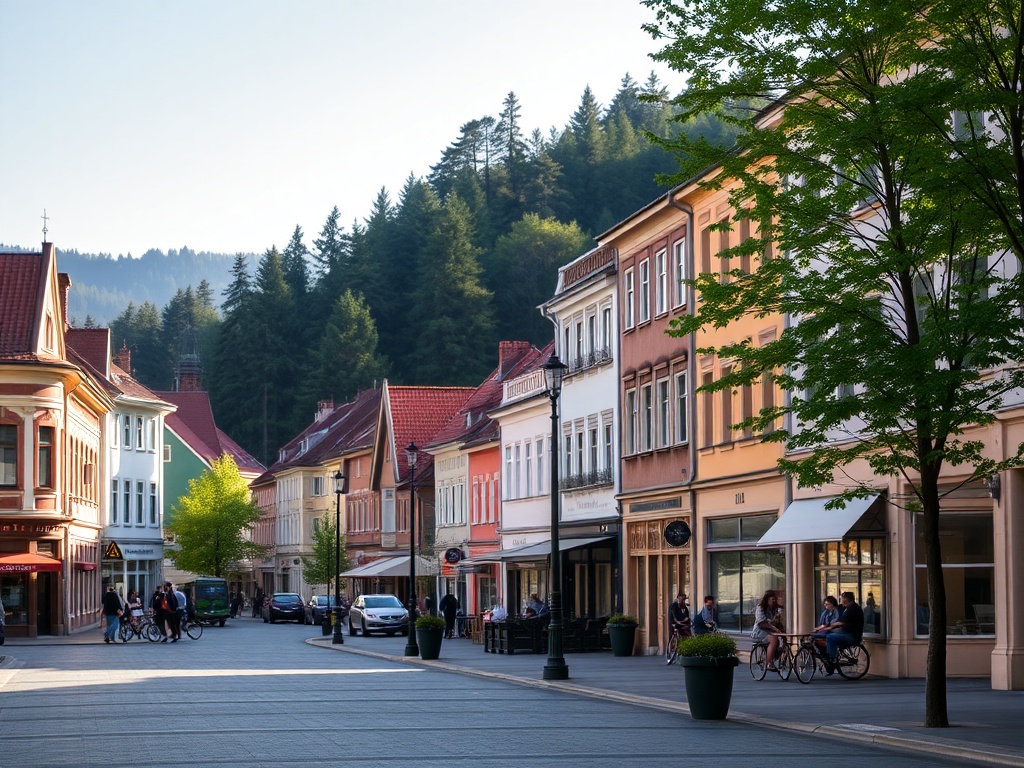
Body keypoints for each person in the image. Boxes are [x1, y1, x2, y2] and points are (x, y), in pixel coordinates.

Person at [825, 591, 864, 663]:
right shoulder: (847, 608)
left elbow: (843, 622)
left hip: (852, 635)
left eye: (841, 598)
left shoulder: (853, 609)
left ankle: (832, 658)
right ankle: (832, 652)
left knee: (829, 637)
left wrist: (834, 624)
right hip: (847, 631)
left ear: (845, 599)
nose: (840, 600)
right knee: (827, 633)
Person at [751, 590, 785, 671]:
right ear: (767, 600)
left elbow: (777, 621)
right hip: (759, 632)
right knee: (773, 638)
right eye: (772, 599)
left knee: (782, 638)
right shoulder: (760, 608)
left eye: (775, 599)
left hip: (770, 632)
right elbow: (762, 623)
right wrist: (774, 628)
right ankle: (769, 663)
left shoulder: (775, 609)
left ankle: (777, 657)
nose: (774, 601)